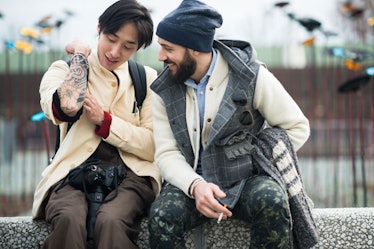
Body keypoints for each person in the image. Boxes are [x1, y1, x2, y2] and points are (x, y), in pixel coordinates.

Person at [148, 0, 318, 248]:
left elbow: (297, 126)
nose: (161, 56)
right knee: (162, 215)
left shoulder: (252, 76)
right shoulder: (163, 88)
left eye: (168, 48)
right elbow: (166, 153)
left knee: (272, 200)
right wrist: (196, 186)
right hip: (192, 183)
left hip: (247, 180)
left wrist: (255, 155)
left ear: (194, 48)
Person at [31, 1, 161, 249]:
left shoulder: (146, 79)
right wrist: (80, 55)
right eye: (111, 39)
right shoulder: (64, 70)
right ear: (99, 28)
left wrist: (106, 122)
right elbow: (66, 107)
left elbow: (153, 146)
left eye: (128, 46)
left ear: (138, 49)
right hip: (72, 174)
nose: (114, 52)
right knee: (69, 219)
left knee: (111, 221)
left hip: (131, 176)